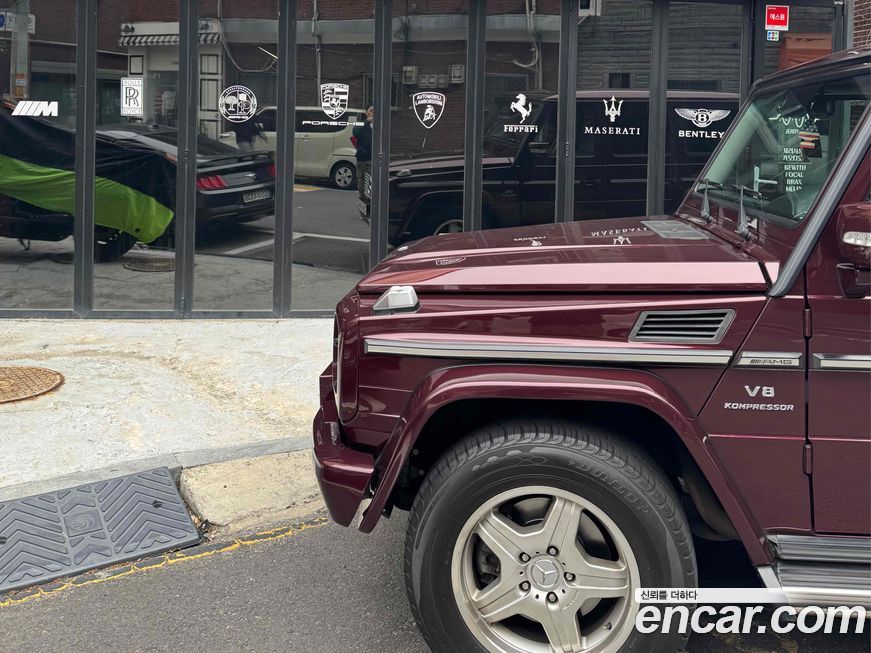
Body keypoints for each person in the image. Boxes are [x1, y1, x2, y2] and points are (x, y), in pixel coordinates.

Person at [353, 106, 374, 209]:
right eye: (371, 110)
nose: (372, 113)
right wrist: (367, 122)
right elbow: (356, 133)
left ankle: (372, 205)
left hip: (376, 159)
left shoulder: (381, 124)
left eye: (375, 111)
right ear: (366, 113)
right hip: (364, 159)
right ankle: (364, 202)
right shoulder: (361, 123)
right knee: (362, 183)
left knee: (372, 183)